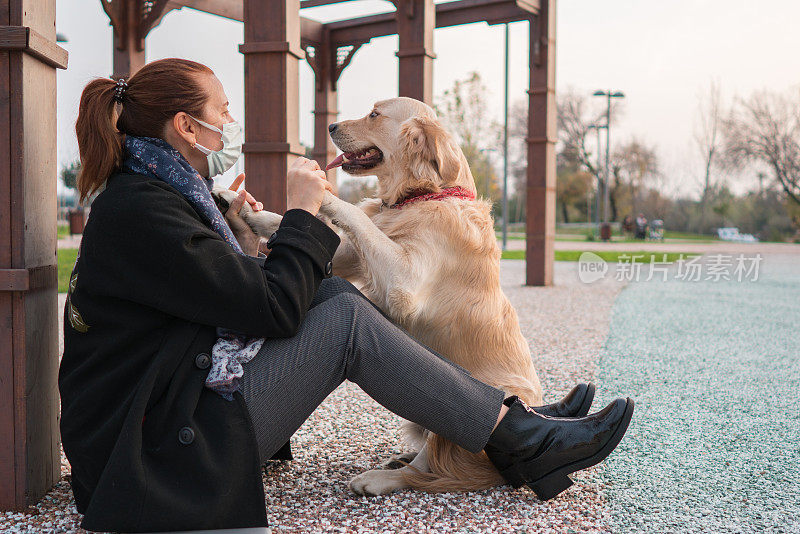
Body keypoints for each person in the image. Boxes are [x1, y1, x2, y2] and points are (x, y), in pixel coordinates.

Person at [59, 58, 634, 532]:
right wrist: (310, 211)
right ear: (187, 127)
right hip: (151, 459)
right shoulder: (143, 210)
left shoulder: (161, 196)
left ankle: (516, 426)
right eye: (223, 113)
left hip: (165, 422)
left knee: (335, 296)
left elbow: (234, 295)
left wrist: (244, 235)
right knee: (344, 320)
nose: (232, 123)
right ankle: (522, 437)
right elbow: (274, 309)